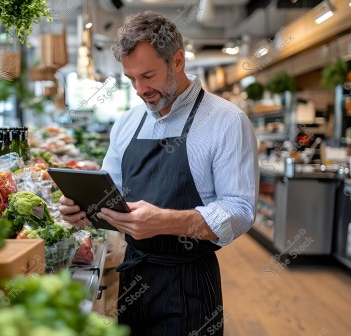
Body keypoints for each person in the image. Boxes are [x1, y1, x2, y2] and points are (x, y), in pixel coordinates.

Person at [59, 11, 258, 336]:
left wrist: (166, 221)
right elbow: (113, 194)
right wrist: (84, 209)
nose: (139, 88)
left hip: (189, 283)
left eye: (148, 75)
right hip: (134, 275)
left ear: (177, 60)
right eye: (131, 78)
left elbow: (239, 212)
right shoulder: (127, 123)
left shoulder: (226, 121)